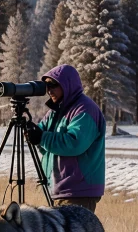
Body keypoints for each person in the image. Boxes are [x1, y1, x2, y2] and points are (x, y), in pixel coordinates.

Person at [24, 64, 106, 212]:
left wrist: (42, 137)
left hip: (78, 190)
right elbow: (43, 139)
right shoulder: (56, 111)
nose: (49, 90)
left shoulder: (84, 109)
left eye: (53, 85)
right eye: (46, 86)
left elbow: (74, 143)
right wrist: (33, 133)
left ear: (67, 84)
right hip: (60, 189)